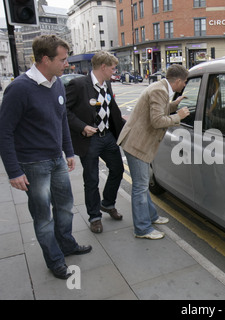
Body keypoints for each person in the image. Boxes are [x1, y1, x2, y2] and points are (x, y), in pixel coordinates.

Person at [0, 35, 92, 280]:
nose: (67, 64)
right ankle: (54, 260)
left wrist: (68, 151)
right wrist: (13, 171)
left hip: (56, 160)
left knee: (65, 208)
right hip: (32, 164)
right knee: (43, 217)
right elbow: (4, 131)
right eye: (62, 60)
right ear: (44, 59)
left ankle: (66, 244)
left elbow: (61, 119)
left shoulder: (57, 83)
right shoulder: (19, 88)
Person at [117, 64, 190, 239]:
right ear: (178, 80)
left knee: (141, 186)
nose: (185, 85)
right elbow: (157, 120)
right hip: (137, 144)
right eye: (185, 82)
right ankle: (142, 229)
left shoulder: (160, 88)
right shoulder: (160, 91)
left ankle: (151, 216)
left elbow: (157, 110)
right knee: (140, 187)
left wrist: (173, 105)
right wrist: (178, 116)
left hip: (137, 142)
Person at [66, 51, 125, 234]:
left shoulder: (106, 83)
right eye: (113, 68)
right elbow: (64, 112)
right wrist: (82, 126)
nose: (115, 71)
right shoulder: (78, 84)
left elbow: (112, 109)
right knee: (91, 179)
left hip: (107, 137)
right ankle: (94, 217)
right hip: (89, 140)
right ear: (103, 67)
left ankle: (107, 203)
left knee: (118, 169)